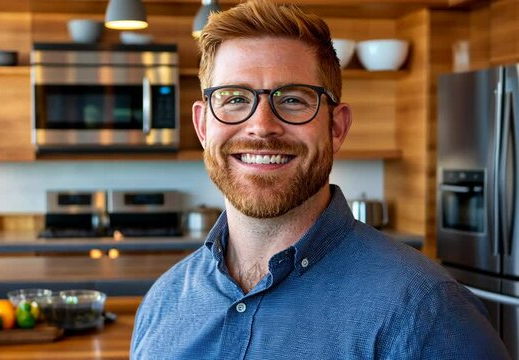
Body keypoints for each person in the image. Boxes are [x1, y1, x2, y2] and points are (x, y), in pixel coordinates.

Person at [130, 0, 510, 358]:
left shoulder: (427, 313)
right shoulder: (162, 302)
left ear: (337, 127)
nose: (261, 126)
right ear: (202, 126)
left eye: (293, 99)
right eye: (234, 99)